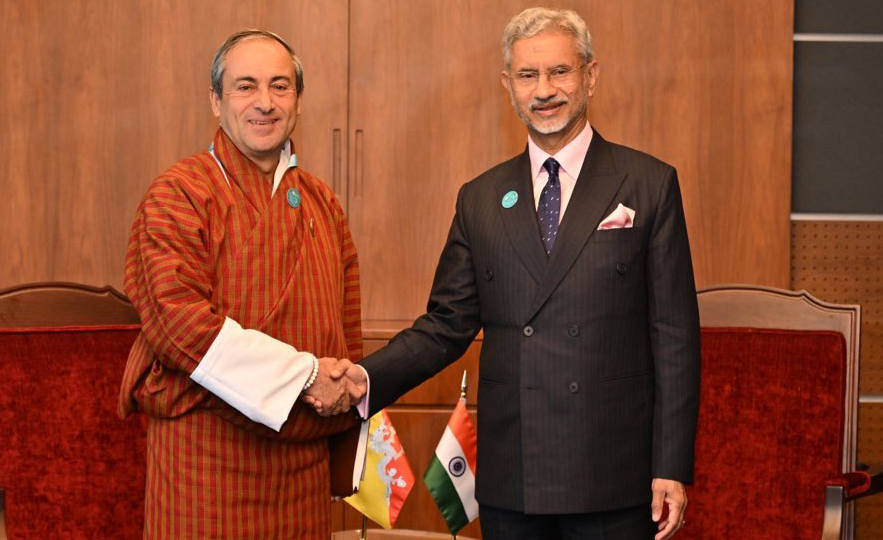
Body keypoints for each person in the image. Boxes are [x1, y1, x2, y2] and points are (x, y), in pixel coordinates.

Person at [321, 7, 701, 540]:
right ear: (508, 85)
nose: (544, 89)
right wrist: (365, 379)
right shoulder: (480, 199)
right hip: (513, 473)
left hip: (614, 470)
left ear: (590, 76)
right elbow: (445, 325)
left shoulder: (648, 183)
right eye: (528, 75)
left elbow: (675, 337)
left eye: (559, 72)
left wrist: (672, 465)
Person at [116, 29, 366, 540]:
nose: (265, 103)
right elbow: (178, 325)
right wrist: (302, 376)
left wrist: (348, 386)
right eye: (245, 87)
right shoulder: (178, 193)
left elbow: (347, 329)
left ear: (297, 101)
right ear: (216, 100)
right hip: (205, 460)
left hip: (303, 465)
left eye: (280, 87)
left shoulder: (323, 203)